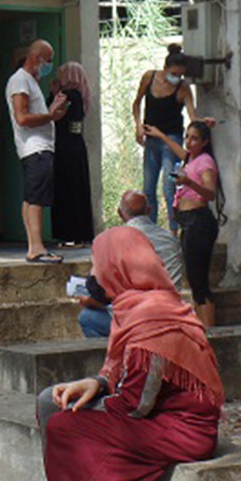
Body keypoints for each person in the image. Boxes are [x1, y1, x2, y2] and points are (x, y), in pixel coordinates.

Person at [34, 226, 223, 481]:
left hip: (183, 429)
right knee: (51, 400)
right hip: (157, 416)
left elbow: (135, 405)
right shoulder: (134, 305)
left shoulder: (153, 317)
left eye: (96, 265)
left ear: (117, 267)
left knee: (66, 425)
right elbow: (123, 375)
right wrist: (97, 383)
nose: (93, 275)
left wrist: (88, 411)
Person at [144, 121, 224, 328]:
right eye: (187, 137)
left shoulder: (205, 162)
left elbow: (210, 193)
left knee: (199, 281)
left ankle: (209, 331)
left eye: (194, 138)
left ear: (204, 142)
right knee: (194, 280)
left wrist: (190, 183)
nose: (189, 142)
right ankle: (201, 328)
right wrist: (160, 134)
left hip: (199, 221)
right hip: (187, 222)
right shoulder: (190, 158)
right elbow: (178, 150)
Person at [76, 190, 185, 338]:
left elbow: (102, 290)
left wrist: (93, 301)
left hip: (138, 318)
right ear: (149, 210)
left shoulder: (113, 241)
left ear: (120, 213)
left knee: (87, 318)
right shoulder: (170, 239)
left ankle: (116, 351)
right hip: (171, 312)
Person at [132, 44, 215, 233]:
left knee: (169, 187)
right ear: (165, 68)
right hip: (151, 137)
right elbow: (136, 103)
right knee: (148, 187)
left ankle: (173, 230)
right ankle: (150, 230)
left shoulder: (183, 88)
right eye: (174, 74)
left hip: (171, 139)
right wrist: (138, 126)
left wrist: (204, 122)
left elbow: (193, 116)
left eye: (180, 75)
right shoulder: (149, 77)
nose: (176, 78)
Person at [6, 39, 68, 264]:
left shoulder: (30, 81)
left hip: (38, 147)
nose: (49, 65)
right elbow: (22, 118)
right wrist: (50, 115)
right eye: (48, 60)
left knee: (31, 197)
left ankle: (34, 245)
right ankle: (37, 248)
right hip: (35, 147)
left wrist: (52, 112)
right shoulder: (20, 80)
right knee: (37, 199)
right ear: (36, 58)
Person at [49, 62, 94, 247]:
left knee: (66, 188)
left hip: (64, 145)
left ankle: (68, 233)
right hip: (76, 144)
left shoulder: (67, 95)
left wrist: (53, 94)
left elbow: (51, 114)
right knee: (78, 187)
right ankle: (81, 233)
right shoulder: (81, 94)